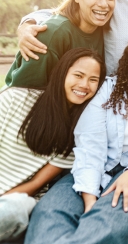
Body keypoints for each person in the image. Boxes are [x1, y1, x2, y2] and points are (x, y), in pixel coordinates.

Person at [25, 32, 128, 244]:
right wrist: (90, 196)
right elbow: (90, 144)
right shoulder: (107, 91)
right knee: (51, 211)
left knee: (112, 215)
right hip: (99, 166)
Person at [0, 48, 105, 242]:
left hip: (16, 202)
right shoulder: (14, 99)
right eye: (78, 75)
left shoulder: (78, 134)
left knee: (12, 209)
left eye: (93, 79)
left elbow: (35, 184)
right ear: (62, 73)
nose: (84, 85)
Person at [6, 0, 117, 88]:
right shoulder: (53, 33)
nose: (103, 4)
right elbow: (25, 91)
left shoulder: (106, 28)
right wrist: (25, 25)